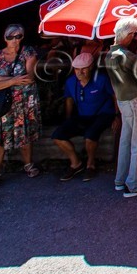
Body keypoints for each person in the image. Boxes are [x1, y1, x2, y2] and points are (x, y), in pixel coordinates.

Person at [0, 24, 41, 192]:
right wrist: (14, 80)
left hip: (22, 102)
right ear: (5, 38)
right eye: (11, 36)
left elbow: (29, 77)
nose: (14, 40)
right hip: (2, 104)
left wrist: (1, 80)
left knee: (25, 135)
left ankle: (28, 165)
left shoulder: (28, 52)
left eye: (18, 36)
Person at [103, 18, 137, 199]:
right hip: (134, 101)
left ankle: (121, 179)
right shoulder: (126, 55)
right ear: (127, 35)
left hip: (123, 101)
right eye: (133, 34)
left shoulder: (111, 54)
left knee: (126, 140)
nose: (134, 38)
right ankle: (134, 185)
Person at [52, 53, 116, 182]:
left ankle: (90, 164)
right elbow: (69, 100)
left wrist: (117, 116)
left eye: (84, 68)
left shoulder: (101, 79)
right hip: (83, 115)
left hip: (102, 114)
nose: (80, 72)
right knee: (57, 136)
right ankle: (76, 163)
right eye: (77, 69)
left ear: (91, 67)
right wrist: (68, 119)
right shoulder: (71, 82)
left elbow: (114, 96)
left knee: (90, 136)